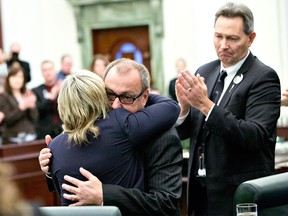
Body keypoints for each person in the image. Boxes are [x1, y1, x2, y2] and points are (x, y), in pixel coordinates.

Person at [39, 58, 183, 216]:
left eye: (127, 97)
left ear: (145, 96)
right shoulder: (103, 127)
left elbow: (166, 205)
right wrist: (50, 165)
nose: (115, 106)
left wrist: (104, 196)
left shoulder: (162, 136)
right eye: (109, 95)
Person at [175, 2, 281, 216]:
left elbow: (254, 135)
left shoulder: (263, 77)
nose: (223, 45)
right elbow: (190, 132)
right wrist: (184, 108)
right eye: (218, 36)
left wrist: (206, 105)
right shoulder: (206, 70)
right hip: (200, 194)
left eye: (232, 38)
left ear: (250, 39)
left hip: (238, 196)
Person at [0, 66, 38, 144]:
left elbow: (35, 118)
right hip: (13, 139)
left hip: (30, 137)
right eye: (14, 76)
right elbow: (7, 120)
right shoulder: (3, 96)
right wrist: (22, 107)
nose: (17, 80)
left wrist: (32, 106)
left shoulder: (26, 94)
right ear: (8, 79)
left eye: (20, 77)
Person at [32, 60, 62, 140]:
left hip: (63, 131)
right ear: (42, 73)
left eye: (50, 69)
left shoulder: (63, 88)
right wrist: (51, 97)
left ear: (55, 71)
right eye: (45, 70)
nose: (48, 72)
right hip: (44, 133)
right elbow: (38, 110)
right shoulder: (36, 91)